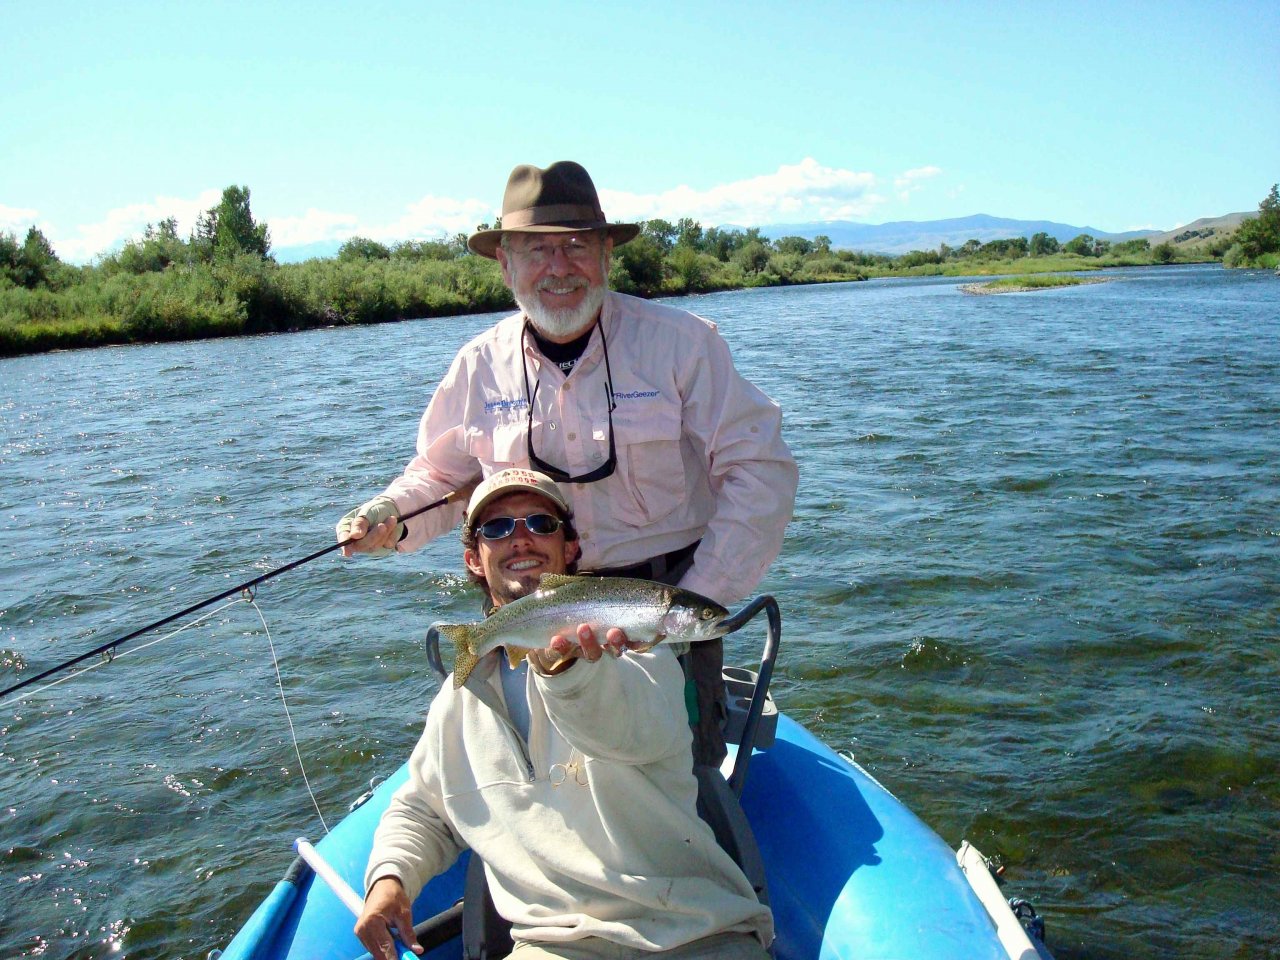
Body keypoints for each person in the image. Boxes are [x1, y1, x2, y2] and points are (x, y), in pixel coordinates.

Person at [338, 160, 798, 766]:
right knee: (544, 773)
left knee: (680, 772)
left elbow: (760, 472)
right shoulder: (478, 366)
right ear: (505, 264)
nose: (558, 267)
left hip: (663, 593)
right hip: (527, 607)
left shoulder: (684, 345)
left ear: (608, 253)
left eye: (576, 245)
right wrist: (390, 515)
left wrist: (689, 602)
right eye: (535, 250)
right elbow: (440, 479)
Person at [355, 469, 774, 960]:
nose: (520, 538)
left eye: (540, 522)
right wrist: (389, 880)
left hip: (693, 932)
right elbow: (427, 807)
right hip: (551, 946)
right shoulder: (459, 700)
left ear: (570, 549)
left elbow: (626, 730)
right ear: (473, 559)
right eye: (496, 529)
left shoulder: (641, 656)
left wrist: (567, 669)